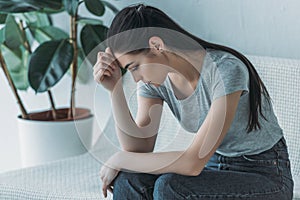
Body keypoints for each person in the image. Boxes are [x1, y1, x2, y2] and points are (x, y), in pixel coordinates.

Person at [93, 4, 294, 200]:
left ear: (156, 46)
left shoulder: (225, 70)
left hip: (263, 174)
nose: (136, 79)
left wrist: (119, 158)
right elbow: (139, 150)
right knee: (129, 179)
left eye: (134, 67)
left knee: (171, 187)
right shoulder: (155, 82)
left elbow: (193, 163)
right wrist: (115, 89)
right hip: (214, 169)